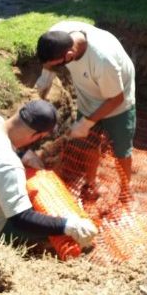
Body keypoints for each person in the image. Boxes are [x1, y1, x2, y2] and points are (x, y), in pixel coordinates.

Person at [0, 99, 98, 247]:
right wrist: (67, 225)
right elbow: (22, 219)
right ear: (35, 136)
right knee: (49, 217)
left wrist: (22, 154)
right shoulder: (7, 164)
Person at [33, 20, 136, 201]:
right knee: (88, 145)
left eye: (58, 65)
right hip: (88, 95)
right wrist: (45, 77)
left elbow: (116, 99)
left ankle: (126, 193)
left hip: (118, 100)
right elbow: (49, 62)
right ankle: (90, 184)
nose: (57, 68)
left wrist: (86, 123)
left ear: (70, 54)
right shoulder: (57, 35)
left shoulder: (103, 61)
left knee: (121, 150)